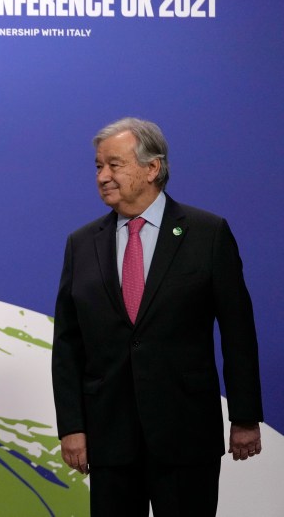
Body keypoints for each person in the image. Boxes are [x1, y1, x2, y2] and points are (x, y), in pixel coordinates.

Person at [51, 117, 263, 516]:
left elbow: (238, 333)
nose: (102, 177)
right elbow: (68, 344)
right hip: (109, 436)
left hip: (185, 433)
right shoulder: (81, 244)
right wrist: (72, 427)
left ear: (153, 168)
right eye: (98, 166)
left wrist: (245, 417)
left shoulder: (207, 233)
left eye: (114, 165)